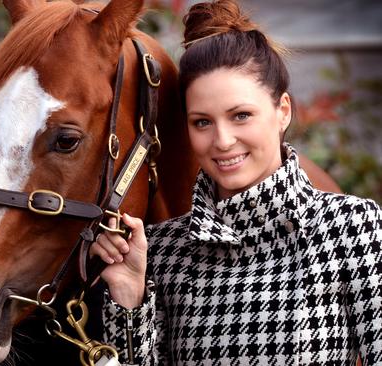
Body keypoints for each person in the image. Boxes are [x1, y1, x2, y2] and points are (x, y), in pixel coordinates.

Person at [92, 1, 382, 365]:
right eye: (202, 122)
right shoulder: (161, 252)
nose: (223, 140)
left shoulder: (351, 227)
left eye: (241, 115)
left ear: (283, 112)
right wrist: (128, 294)